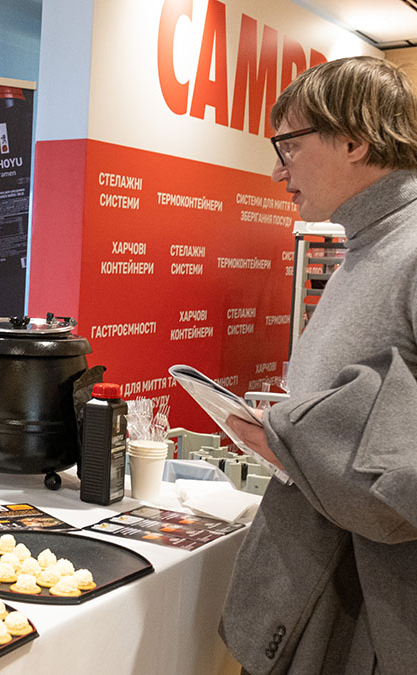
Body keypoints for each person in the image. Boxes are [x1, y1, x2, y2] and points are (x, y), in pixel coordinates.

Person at [221, 56, 417, 674]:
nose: (277, 171)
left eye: (290, 146)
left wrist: (299, 447)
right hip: (326, 599)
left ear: (355, 141)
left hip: (375, 617)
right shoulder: (367, 245)